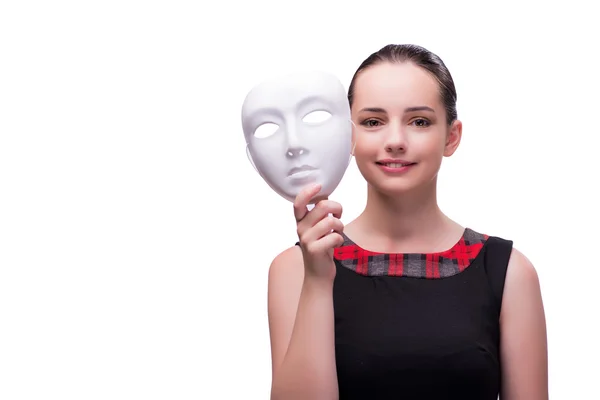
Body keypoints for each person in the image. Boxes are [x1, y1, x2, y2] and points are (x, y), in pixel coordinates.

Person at [266, 44, 548, 400]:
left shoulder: (508, 272)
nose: (395, 141)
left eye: (419, 121)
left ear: (451, 136)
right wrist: (319, 282)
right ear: (347, 136)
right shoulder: (296, 268)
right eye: (373, 122)